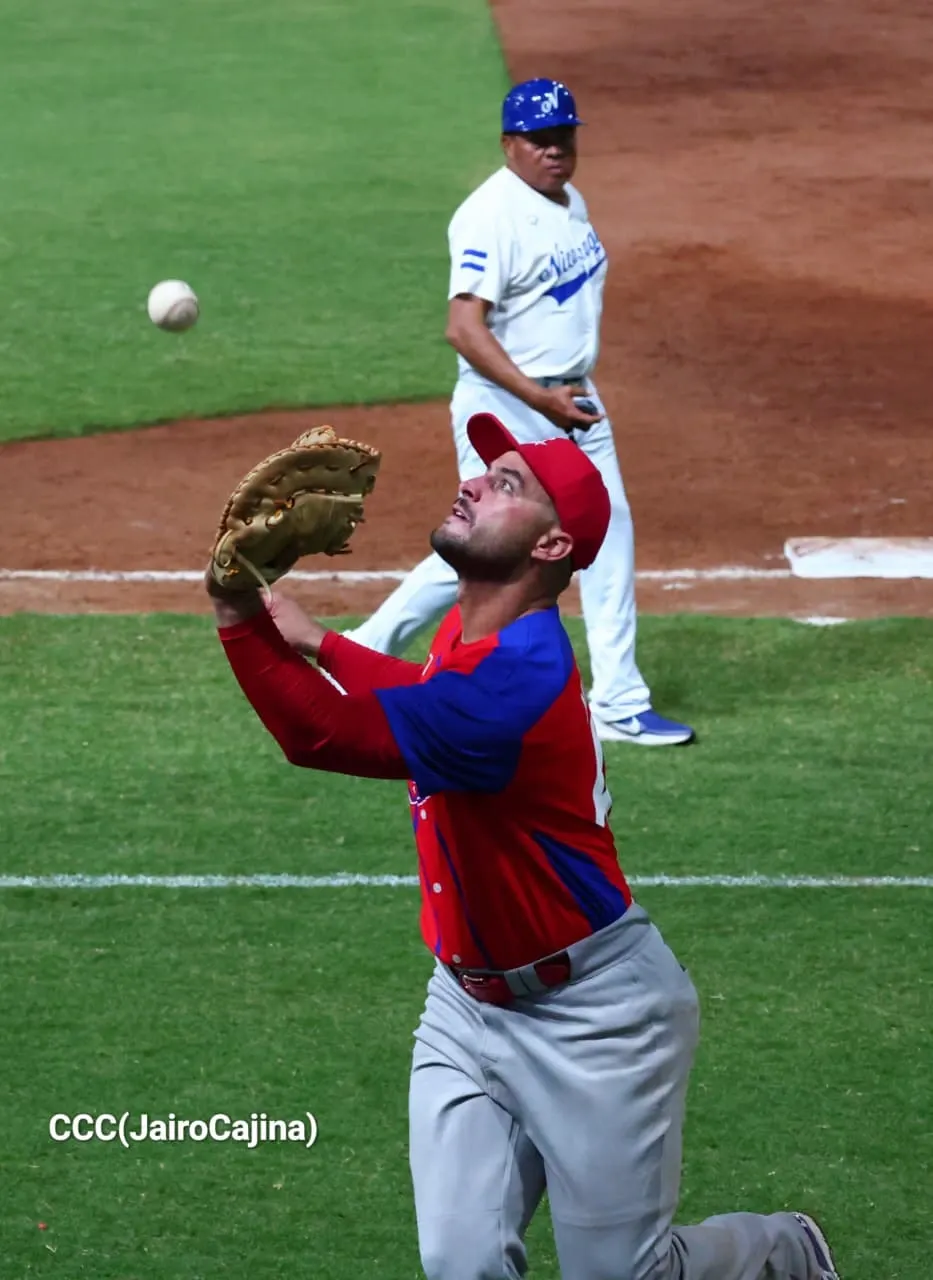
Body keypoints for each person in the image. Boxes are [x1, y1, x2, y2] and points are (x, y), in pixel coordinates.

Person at [206, 412, 839, 1280]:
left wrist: (238, 617)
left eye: (506, 484)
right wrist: (317, 640)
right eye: (482, 470)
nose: (471, 482)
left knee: (624, 1276)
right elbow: (425, 690)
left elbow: (325, 738)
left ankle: (781, 1255)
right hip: (465, 1007)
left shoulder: (516, 679)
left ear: (550, 546)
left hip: (597, 1019)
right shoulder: (473, 637)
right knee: (461, 1264)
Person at [343, 77, 694, 747]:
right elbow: (462, 328)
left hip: (573, 400)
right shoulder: (488, 216)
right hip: (511, 404)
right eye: (538, 139)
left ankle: (618, 699)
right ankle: (362, 648)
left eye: (562, 136)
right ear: (509, 145)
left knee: (609, 529)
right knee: (485, 547)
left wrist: (563, 397)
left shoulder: (568, 202)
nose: (553, 149)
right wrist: (539, 400)